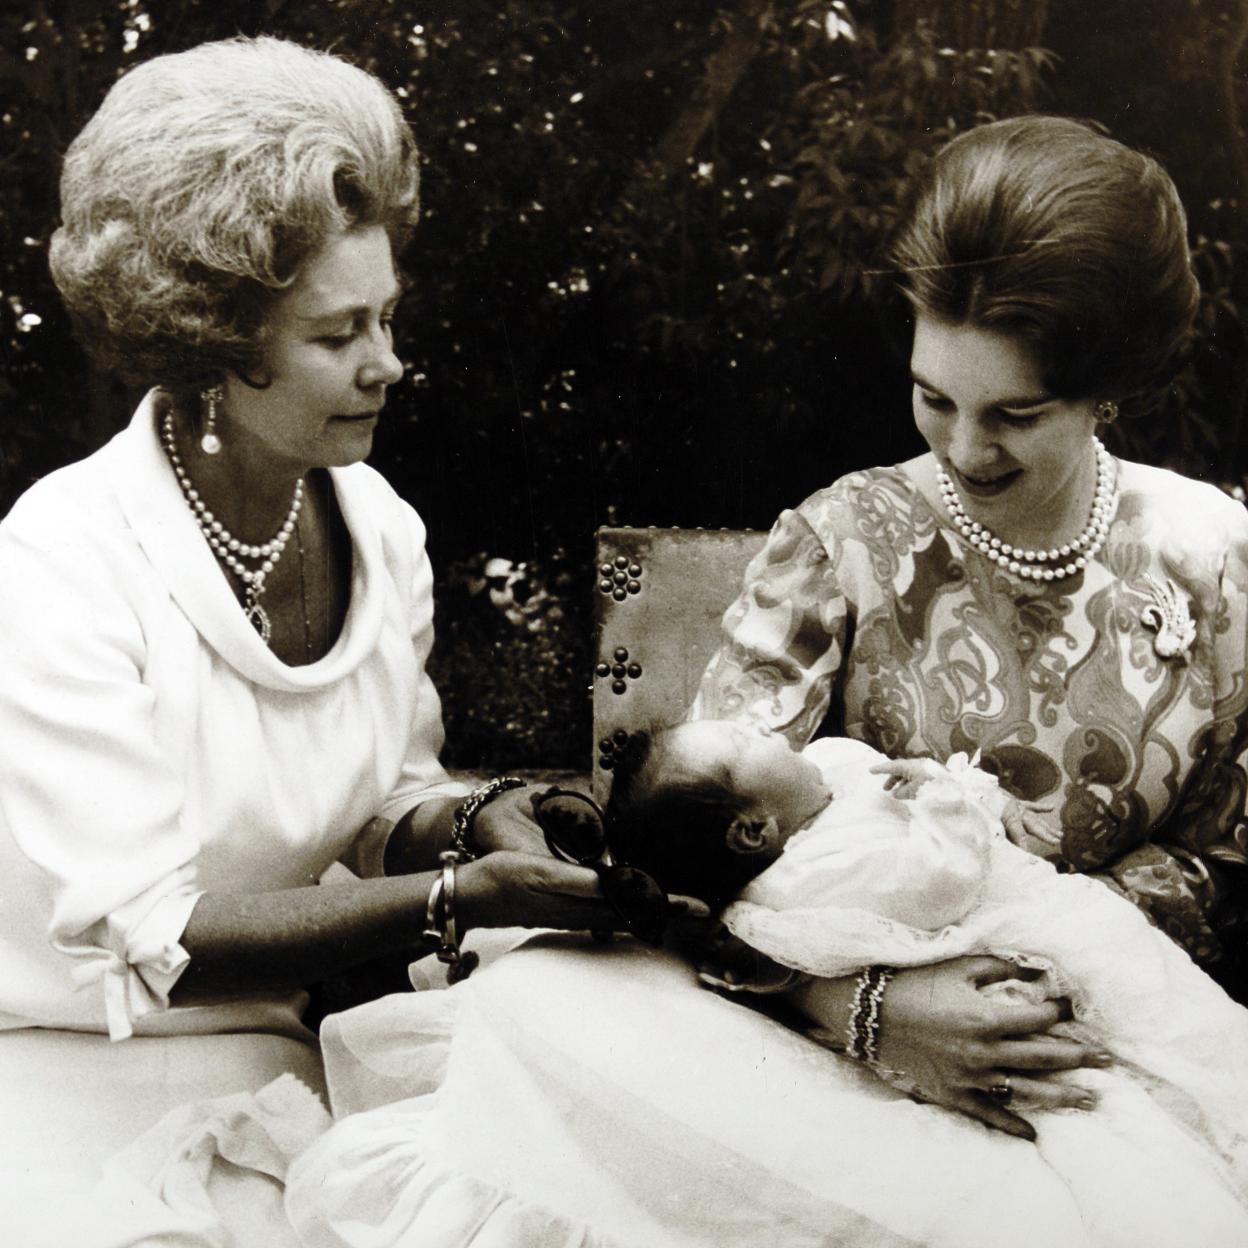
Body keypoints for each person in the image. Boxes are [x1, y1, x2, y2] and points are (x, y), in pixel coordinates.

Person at [268, 116, 1248, 1247]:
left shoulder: (1216, 563)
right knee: (542, 1009)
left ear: (1107, 387)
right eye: (935, 400)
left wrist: (1030, 977)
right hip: (810, 1025)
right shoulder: (840, 541)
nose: (965, 452)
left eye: (1015, 415)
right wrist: (867, 1007)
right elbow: (699, 857)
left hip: (1090, 1033)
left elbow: (1227, 855)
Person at [0, 35, 703, 1243]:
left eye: (387, 315)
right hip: (55, 1082)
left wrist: (479, 819)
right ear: (213, 348)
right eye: (339, 335)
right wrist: (459, 897)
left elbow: (382, 800)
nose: (390, 362)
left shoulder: (378, 526)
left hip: (281, 1071)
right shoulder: (60, 558)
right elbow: (156, 938)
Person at [602, 719, 1248, 1182]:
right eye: (746, 741)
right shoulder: (813, 871)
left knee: (1169, 1019)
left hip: (1079, 911)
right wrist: (945, 797)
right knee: (1152, 1034)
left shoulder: (820, 801)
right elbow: (941, 881)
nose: (764, 728)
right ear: (751, 830)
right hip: (1012, 934)